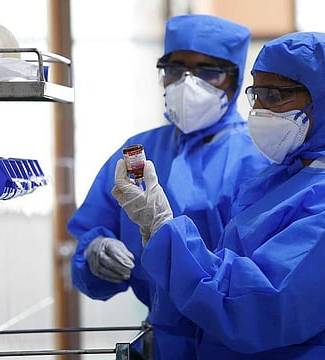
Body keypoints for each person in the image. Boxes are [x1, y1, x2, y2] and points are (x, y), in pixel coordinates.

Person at [112, 31, 325, 359]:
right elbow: (223, 283)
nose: (258, 110)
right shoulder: (279, 182)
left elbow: (250, 309)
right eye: (256, 95)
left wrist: (165, 230)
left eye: (274, 96)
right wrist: (155, 232)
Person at [68, 14, 270, 359]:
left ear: (235, 81)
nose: (187, 84)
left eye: (208, 72)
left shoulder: (263, 157)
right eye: (175, 70)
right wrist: (96, 252)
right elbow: (92, 238)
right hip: (162, 342)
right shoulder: (137, 153)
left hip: (240, 346)